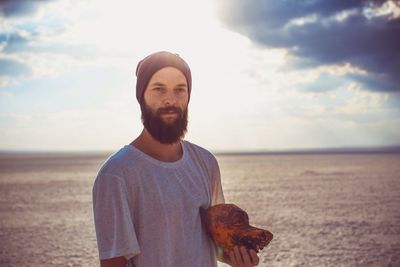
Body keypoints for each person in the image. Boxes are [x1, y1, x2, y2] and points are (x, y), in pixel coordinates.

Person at [92, 51, 260, 267]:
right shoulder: (116, 175)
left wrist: (237, 258)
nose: (170, 99)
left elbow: (214, 242)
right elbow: (113, 263)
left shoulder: (205, 162)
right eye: (158, 89)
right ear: (141, 96)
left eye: (180, 89)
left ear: (189, 96)